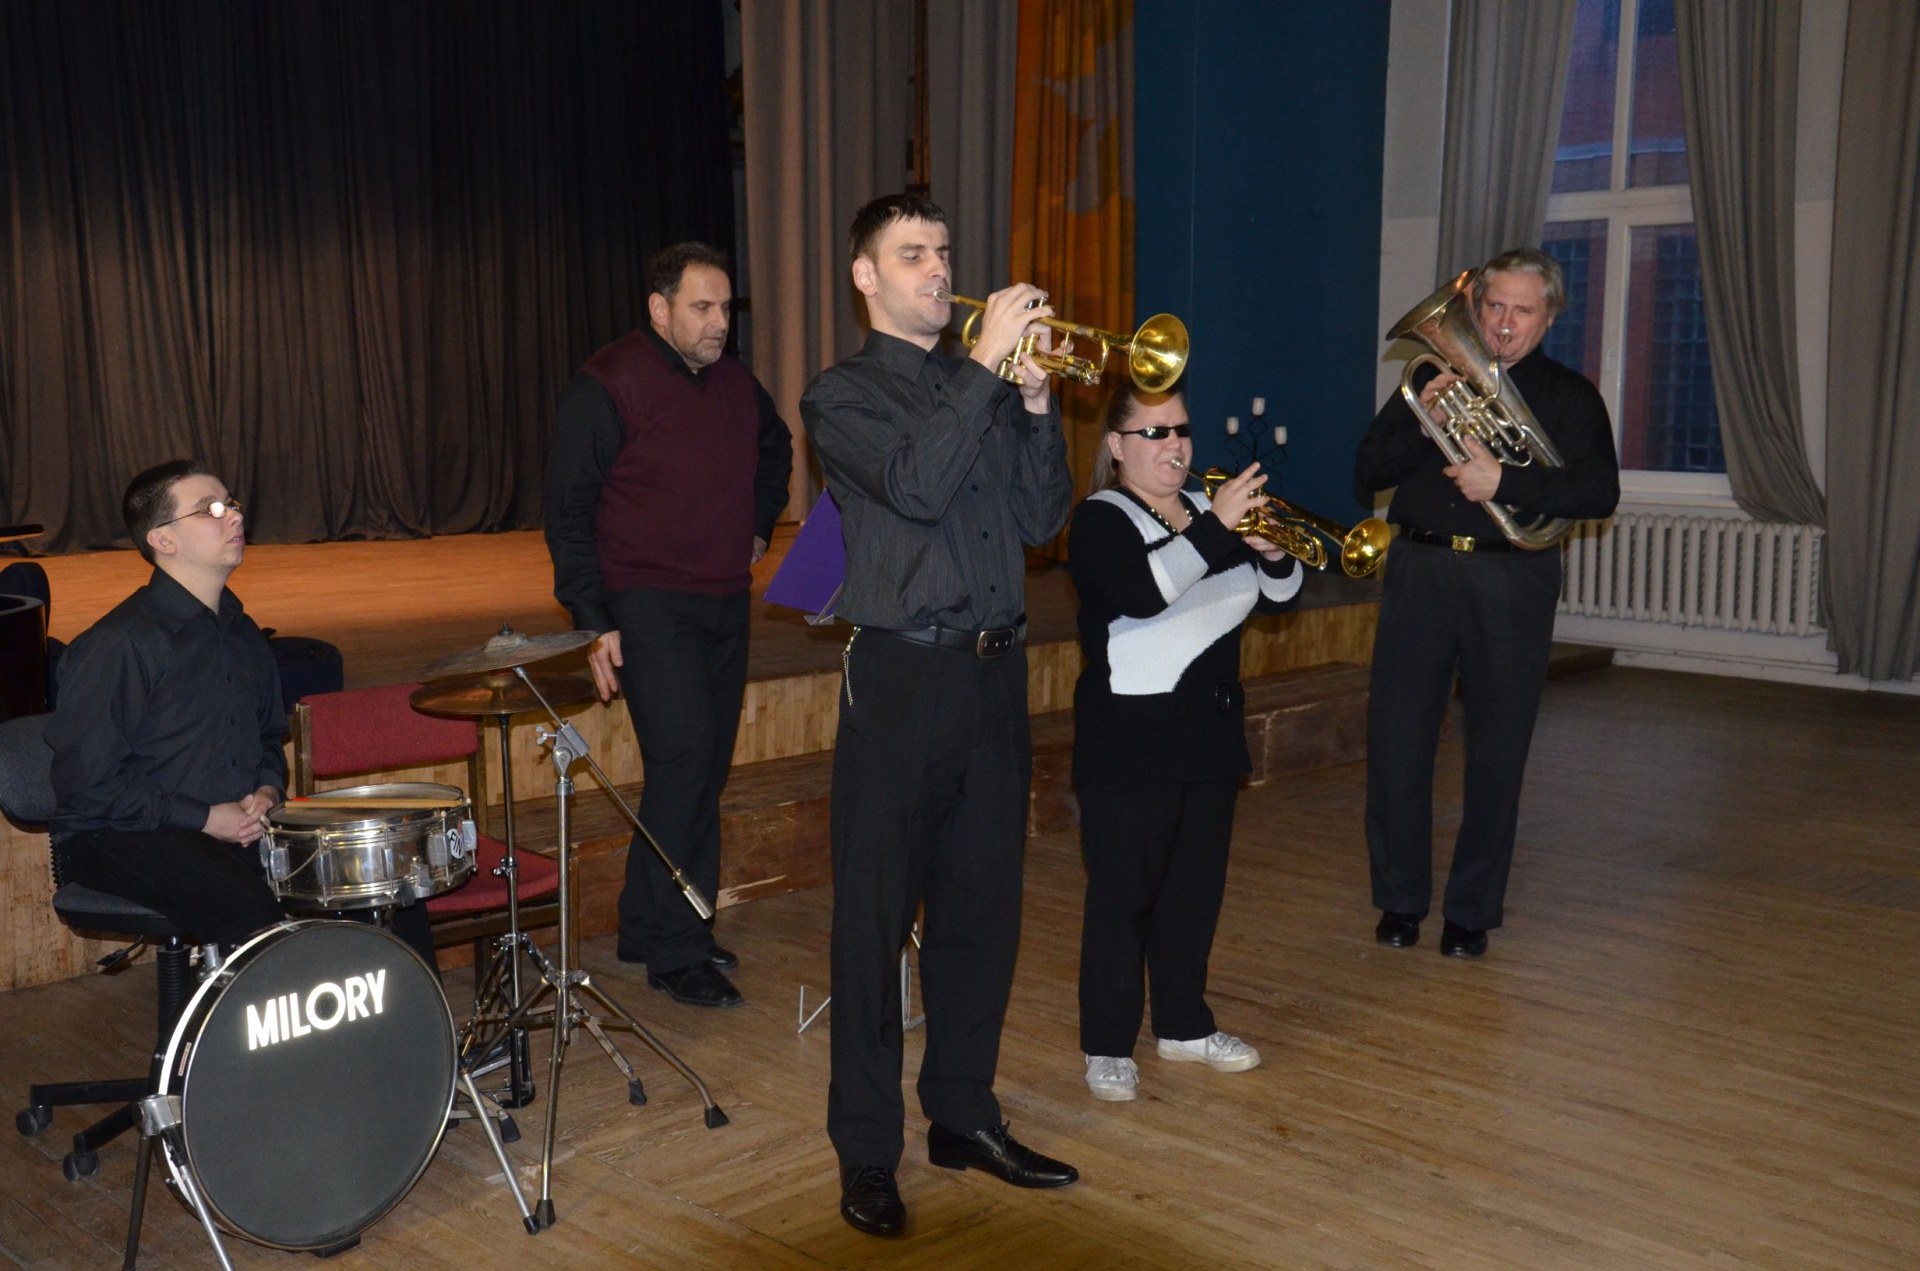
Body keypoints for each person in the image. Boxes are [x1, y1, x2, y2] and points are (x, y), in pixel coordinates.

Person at [800, 193, 1077, 1237]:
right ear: (866, 277)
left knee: (982, 915)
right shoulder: (841, 395)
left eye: (944, 251)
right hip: (903, 678)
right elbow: (915, 487)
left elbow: (1041, 519)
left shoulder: (989, 391)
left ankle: (963, 1115)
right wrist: (988, 369)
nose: (939, 270)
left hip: (995, 678)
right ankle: (868, 1151)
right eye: (912, 254)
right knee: (873, 926)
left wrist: (1037, 404)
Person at [545, 241, 793, 1008]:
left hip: (723, 598)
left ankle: (648, 921)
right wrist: (594, 619)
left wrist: (758, 527)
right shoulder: (608, 384)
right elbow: (567, 511)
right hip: (646, 601)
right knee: (684, 761)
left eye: (726, 309)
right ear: (660, 309)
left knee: (703, 768)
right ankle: (678, 950)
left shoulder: (734, 383)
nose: (720, 323)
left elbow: (777, 448)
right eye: (702, 308)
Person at [1355, 247, 1619, 959]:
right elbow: (1366, 470)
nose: (1504, 323)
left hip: (1512, 578)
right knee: (1397, 743)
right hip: (1419, 570)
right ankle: (1400, 900)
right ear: (1473, 309)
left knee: (1498, 751)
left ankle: (1470, 912)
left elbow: (1598, 491)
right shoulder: (1428, 381)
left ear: (1549, 317)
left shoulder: (1570, 396)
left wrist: (1504, 481)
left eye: (1521, 310)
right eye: (1493, 306)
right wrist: (1422, 425)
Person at [1068, 386, 1302, 1102]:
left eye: (1181, 429)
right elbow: (1144, 591)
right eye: (1154, 432)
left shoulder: (1207, 511)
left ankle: (1183, 1026)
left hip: (1208, 730)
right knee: (1123, 898)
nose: (1174, 444)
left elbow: (1281, 598)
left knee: (1193, 894)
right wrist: (1218, 527)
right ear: (1116, 446)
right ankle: (1107, 1045)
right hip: (1131, 739)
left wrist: (1273, 552)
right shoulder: (1100, 519)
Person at [47, 461, 290, 950]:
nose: (234, 516)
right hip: (115, 833)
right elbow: (87, 785)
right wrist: (206, 818)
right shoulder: (119, 644)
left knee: (362, 880)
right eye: (210, 510)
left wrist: (266, 791)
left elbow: (267, 737)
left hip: (226, 826)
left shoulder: (242, 631)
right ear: (162, 539)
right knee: (250, 910)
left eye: (231, 504)